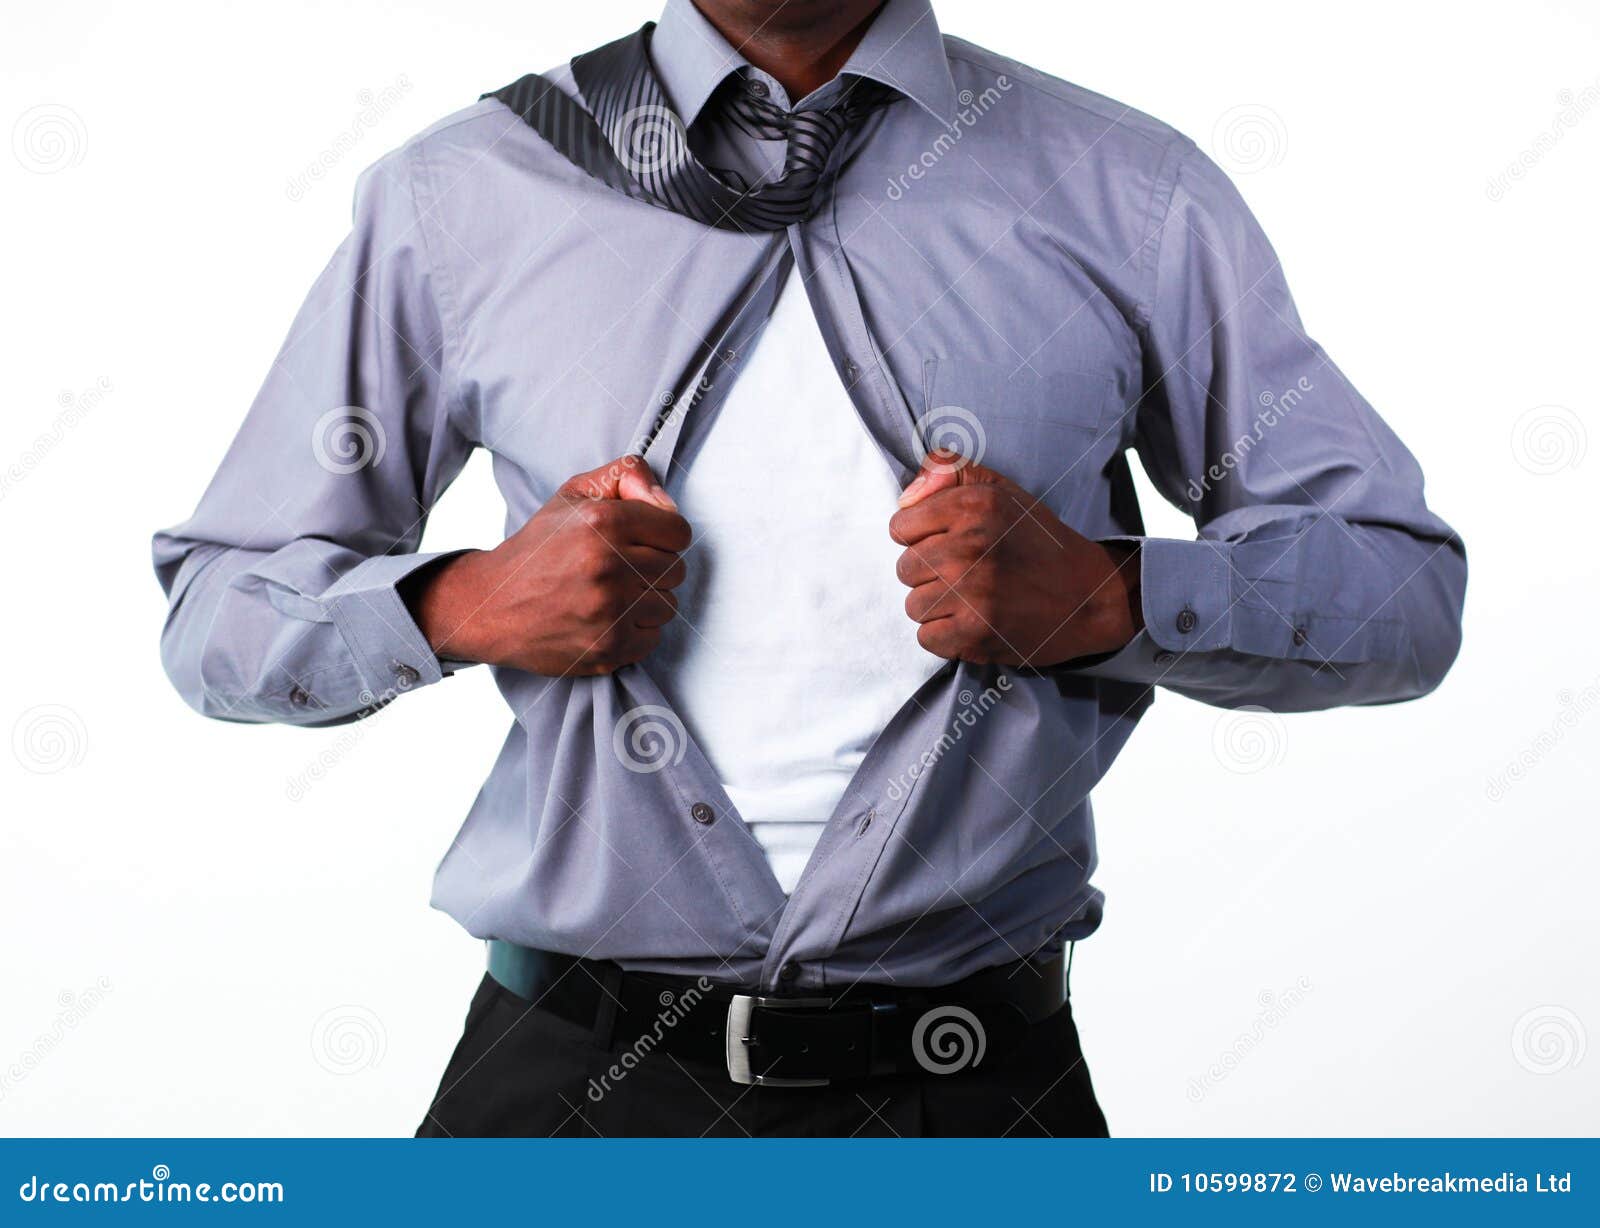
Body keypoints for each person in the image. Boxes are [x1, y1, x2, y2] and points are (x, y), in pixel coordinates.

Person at [152, 0, 1466, 1137]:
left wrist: (1112, 598)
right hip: (563, 1100)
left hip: (976, 1101)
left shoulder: (1133, 194)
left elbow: (1401, 596)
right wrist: (461, 603)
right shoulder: (460, 196)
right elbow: (220, 612)